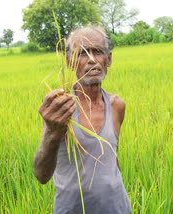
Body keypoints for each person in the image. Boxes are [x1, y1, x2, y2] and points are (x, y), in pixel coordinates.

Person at [33, 26, 131, 214]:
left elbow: (111, 157)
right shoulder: (60, 109)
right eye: (82, 53)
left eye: (98, 52)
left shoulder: (117, 105)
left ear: (108, 59)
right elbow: (41, 175)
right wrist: (53, 132)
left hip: (117, 207)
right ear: (70, 62)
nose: (92, 60)